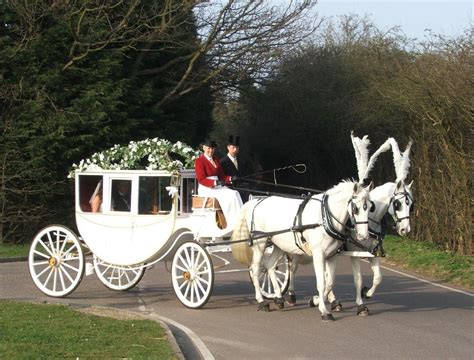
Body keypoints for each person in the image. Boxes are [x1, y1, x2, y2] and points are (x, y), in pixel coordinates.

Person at [194, 139, 243, 232]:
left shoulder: (216, 159)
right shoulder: (199, 161)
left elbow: (222, 176)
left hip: (217, 186)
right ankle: (232, 224)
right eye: (209, 148)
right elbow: (201, 179)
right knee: (229, 195)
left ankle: (240, 222)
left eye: (212, 149)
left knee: (235, 193)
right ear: (204, 148)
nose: (211, 151)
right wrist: (215, 183)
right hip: (207, 188)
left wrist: (230, 179)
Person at [220, 135, 249, 202]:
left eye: (237, 148)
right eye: (233, 147)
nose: (235, 150)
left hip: (242, 190)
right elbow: (221, 178)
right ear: (228, 147)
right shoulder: (222, 162)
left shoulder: (241, 162)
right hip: (229, 190)